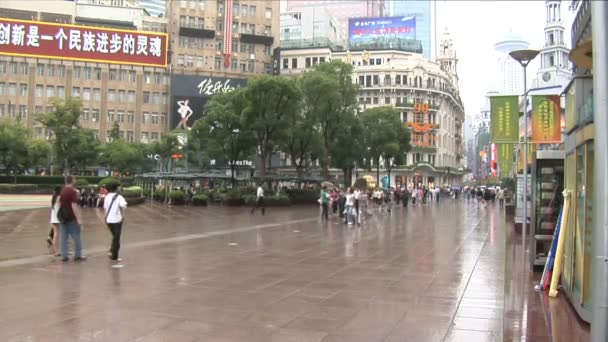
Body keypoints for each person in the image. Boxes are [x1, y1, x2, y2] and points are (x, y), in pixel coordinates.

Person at [58, 176, 86, 262]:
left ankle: (64, 255)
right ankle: (78, 255)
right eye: (75, 179)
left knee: (63, 237)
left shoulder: (62, 191)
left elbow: (59, 203)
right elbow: (74, 206)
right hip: (71, 217)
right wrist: (79, 219)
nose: (76, 181)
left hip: (63, 217)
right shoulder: (72, 191)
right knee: (76, 236)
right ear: (72, 181)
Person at [104, 182, 128, 262]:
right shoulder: (119, 197)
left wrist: (105, 218)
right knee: (116, 239)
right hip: (117, 220)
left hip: (108, 220)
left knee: (115, 237)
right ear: (116, 188)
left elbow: (105, 208)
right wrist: (123, 216)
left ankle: (111, 251)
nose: (120, 188)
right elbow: (124, 207)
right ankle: (114, 256)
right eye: (119, 187)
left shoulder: (107, 196)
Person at [47, 186, 62, 256]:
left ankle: (56, 251)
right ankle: (56, 251)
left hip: (53, 218)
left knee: (56, 234)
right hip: (57, 218)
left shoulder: (54, 197)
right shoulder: (58, 198)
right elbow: (61, 206)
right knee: (56, 235)